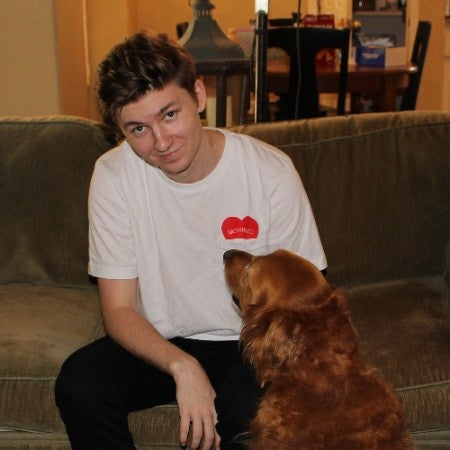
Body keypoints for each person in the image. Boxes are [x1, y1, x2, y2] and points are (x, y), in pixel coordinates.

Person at [55, 32, 327, 450]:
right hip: (160, 342)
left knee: (247, 411)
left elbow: (305, 298)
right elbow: (119, 310)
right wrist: (182, 366)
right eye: (138, 129)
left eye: (169, 114)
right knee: (80, 382)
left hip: (246, 344)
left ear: (198, 95)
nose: (160, 143)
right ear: (120, 131)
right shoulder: (113, 176)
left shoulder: (270, 172)